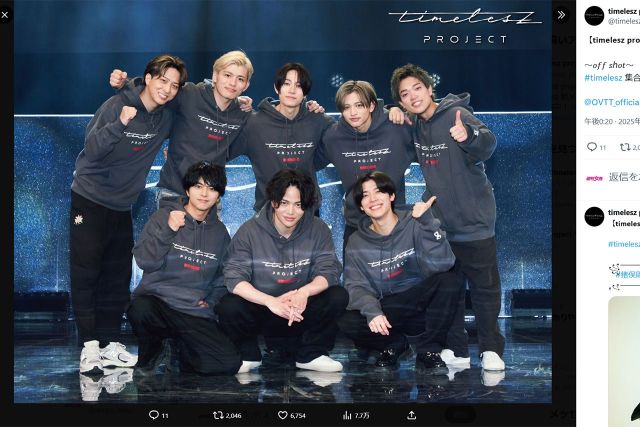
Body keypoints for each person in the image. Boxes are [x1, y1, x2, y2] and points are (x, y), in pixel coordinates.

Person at [70, 54, 187, 374]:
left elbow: (199, 105)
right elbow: (92, 149)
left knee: (117, 275)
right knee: (86, 271)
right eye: (162, 80)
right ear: (147, 78)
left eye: (174, 85)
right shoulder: (116, 105)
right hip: (89, 199)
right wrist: (120, 122)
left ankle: (109, 343)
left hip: (122, 205)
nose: (167, 89)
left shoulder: (165, 117)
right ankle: (89, 346)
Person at [390, 63, 505, 371]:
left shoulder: (457, 114)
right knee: (450, 291)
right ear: (401, 101)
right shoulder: (415, 126)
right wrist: (392, 113)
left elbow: (489, 144)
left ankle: (490, 349)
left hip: (475, 220)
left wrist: (468, 136)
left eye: (417, 88)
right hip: (441, 225)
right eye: (405, 94)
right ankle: (457, 349)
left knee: (484, 290)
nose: (413, 96)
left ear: (430, 89)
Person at [216, 169, 348, 373]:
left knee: (337, 295)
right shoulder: (249, 231)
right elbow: (234, 276)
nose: (291, 212)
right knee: (229, 305)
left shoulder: (319, 229)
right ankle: (248, 354)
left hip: (299, 309)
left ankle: (311, 354)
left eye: (298, 205)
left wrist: (303, 292)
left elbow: (329, 270)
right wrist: (270, 301)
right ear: (273, 201)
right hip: (264, 308)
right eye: (284, 203)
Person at [338, 171, 460, 373]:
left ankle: (429, 351)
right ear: (361, 206)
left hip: (421, 303)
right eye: (365, 195)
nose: (373, 199)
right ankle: (394, 345)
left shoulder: (416, 222)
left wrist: (428, 223)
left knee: (449, 280)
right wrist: (373, 312)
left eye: (378, 191)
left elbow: (444, 263)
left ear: (392, 196)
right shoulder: (356, 242)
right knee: (344, 318)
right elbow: (355, 286)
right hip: (389, 310)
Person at [127, 161, 241, 375]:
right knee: (140, 309)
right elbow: (145, 261)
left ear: (219, 195)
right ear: (187, 190)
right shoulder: (163, 217)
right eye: (198, 186)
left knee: (227, 364)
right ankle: (155, 348)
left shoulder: (220, 233)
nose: (204, 194)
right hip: (157, 304)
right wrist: (169, 229)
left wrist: (211, 300)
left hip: (192, 310)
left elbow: (222, 277)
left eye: (212, 188)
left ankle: (179, 348)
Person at [109, 50, 254, 205]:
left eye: (240, 79)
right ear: (215, 76)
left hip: (209, 199)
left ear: (246, 85)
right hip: (172, 193)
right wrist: (125, 84)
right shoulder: (190, 94)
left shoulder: (242, 113)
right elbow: (156, 92)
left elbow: (233, 149)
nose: (232, 83)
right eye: (227, 75)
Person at [314, 80, 415, 257]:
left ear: (371, 106)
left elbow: (429, 141)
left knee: (404, 276)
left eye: (359, 105)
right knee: (353, 275)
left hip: (395, 224)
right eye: (346, 107)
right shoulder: (334, 137)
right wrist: (306, 114)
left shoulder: (397, 128)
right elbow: (307, 160)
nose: (353, 113)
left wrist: (395, 109)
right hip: (356, 225)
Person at [230, 62, 335, 213]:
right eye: (286, 83)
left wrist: (310, 164)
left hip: (307, 212)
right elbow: (221, 150)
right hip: (268, 213)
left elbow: (340, 141)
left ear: (305, 93)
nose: (292, 90)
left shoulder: (317, 120)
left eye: (298, 85)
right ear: (276, 87)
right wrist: (231, 107)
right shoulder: (254, 124)